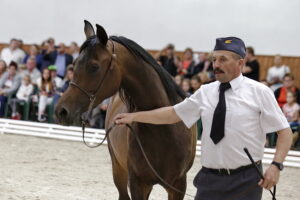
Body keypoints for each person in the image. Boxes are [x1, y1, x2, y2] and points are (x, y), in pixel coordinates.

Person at [114, 37, 293, 200]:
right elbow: (173, 113)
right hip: (209, 180)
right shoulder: (205, 92)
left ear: (240, 62)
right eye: (214, 60)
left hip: (246, 179)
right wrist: (135, 116)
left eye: (223, 59)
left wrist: (276, 165)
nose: (216, 65)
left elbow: (284, 132)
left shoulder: (260, 92)